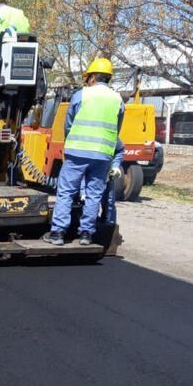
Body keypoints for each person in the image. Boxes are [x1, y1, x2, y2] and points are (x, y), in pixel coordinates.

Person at [43, 58, 125, 246]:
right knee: (94, 194)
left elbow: (68, 124)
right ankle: (86, 234)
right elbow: (116, 129)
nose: (87, 80)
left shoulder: (81, 95)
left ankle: (57, 233)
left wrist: (70, 141)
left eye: (88, 77)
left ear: (93, 77)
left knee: (66, 193)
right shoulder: (117, 99)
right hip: (103, 154)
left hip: (77, 152)